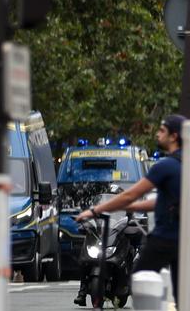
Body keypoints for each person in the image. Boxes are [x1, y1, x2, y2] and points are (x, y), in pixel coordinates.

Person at [76, 115, 183, 301]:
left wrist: (95, 210)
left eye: (162, 131)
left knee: (139, 279)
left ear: (174, 136)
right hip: (185, 238)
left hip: (166, 237)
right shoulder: (187, 163)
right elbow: (162, 201)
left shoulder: (165, 166)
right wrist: (132, 206)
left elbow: (128, 194)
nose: (157, 134)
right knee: (181, 291)